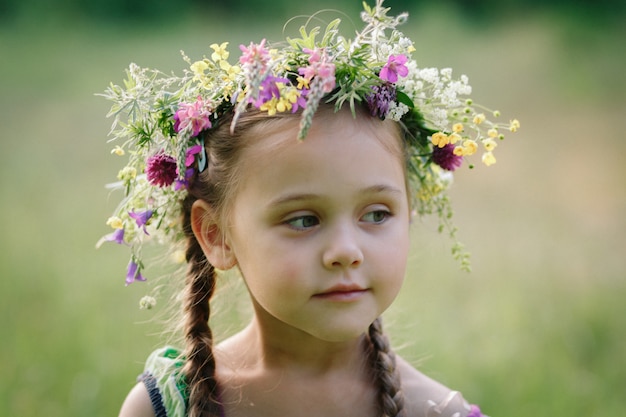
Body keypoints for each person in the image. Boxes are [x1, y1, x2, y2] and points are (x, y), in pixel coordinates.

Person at [99, 1, 519, 416]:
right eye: (303, 219)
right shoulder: (161, 407)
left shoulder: (437, 413)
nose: (345, 250)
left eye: (376, 214)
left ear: (410, 211)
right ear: (216, 235)